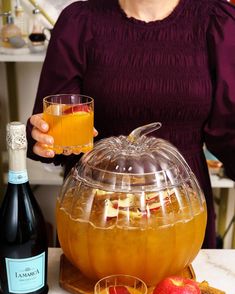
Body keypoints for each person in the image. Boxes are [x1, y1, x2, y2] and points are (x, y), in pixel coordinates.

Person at [26, 0, 235, 249]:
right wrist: (44, 137)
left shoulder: (218, 21)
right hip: (96, 212)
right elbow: (55, 127)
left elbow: (229, 133)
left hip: (181, 209)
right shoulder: (78, 21)